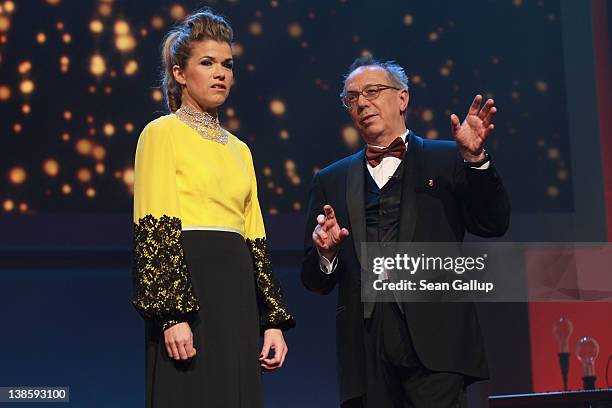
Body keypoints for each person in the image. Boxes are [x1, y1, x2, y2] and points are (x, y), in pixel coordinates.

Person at [301, 56, 510, 408]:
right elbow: (314, 280)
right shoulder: (331, 180)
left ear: (402, 98)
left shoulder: (447, 160)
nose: (362, 103)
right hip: (365, 350)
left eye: (372, 91)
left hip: (436, 345)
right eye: (352, 98)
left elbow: (492, 224)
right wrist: (326, 253)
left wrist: (476, 162)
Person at [131, 9, 295, 408]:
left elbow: (254, 236)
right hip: (189, 289)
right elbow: (153, 226)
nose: (220, 73)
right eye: (207, 63)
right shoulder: (161, 133)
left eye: (227, 65)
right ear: (180, 73)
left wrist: (271, 321)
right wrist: (172, 314)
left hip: (236, 294)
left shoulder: (240, 150)